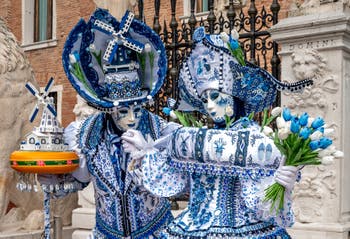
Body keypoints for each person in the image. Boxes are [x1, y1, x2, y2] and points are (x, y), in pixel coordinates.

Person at [121, 27, 313, 238]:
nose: (210, 106)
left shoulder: (254, 140)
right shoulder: (197, 141)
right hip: (189, 229)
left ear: (235, 96)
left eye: (216, 96)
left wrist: (279, 184)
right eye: (205, 100)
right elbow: (178, 185)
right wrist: (145, 154)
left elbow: (260, 205)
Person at [58, 8, 178, 239]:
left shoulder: (161, 131)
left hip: (157, 232)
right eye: (123, 111)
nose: (132, 118)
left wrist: (149, 154)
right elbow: (77, 182)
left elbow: (176, 184)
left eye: (137, 109)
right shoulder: (85, 134)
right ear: (109, 110)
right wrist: (54, 179)